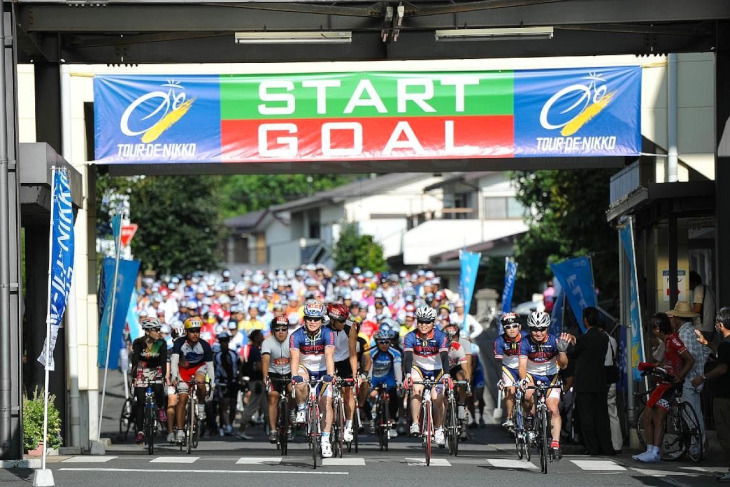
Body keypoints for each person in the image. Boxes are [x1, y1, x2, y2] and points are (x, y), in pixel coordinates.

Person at [633, 312, 695, 463]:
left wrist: (679, 376)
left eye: (654, 329)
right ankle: (650, 450)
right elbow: (670, 362)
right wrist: (656, 366)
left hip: (671, 386)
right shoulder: (667, 342)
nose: (654, 333)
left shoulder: (673, 340)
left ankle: (654, 452)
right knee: (648, 415)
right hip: (664, 384)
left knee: (657, 416)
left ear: (658, 329)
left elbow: (690, 360)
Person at [518, 311, 571, 459]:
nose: (538, 333)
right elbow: (522, 366)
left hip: (551, 376)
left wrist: (562, 352)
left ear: (547, 328)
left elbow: (564, 365)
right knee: (528, 393)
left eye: (542, 329)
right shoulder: (524, 342)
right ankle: (529, 415)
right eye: (534, 329)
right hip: (531, 374)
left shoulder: (554, 341)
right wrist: (524, 380)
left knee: (553, 409)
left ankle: (555, 443)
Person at [289, 299, 336, 458]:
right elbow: (294, 358)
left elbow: (329, 355)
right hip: (305, 367)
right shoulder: (296, 335)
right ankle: (301, 407)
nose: (312, 322)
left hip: (323, 369)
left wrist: (330, 375)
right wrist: (294, 376)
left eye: (316, 319)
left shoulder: (327, 333)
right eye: (309, 318)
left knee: (326, 404)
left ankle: (325, 440)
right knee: (300, 380)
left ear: (322, 320)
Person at [692, 307, 730, 483]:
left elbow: (723, 367)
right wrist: (706, 343)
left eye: (716, 322)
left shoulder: (725, 345)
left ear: (721, 325)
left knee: (724, 433)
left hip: (724, 396)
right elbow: (722, 355)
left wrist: (703, 377)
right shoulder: (724, 345)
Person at [403, 305, 451, 447]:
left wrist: (447, 375)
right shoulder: (410, 336)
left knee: (438, 398)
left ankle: (438, 429)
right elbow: (407, 357)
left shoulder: (440, 336)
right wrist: (407, 375)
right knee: (416, 389)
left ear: (433, 322)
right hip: (419, 368)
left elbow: (444, 357)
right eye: (420, 322)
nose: (423, 325)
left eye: (427, 322)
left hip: (437, 370)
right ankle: (415, 423)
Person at [569, 307, 613, 456]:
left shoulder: (583, 338)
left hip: (584, 382)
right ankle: (606, 447)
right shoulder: (604, 337)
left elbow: (573, 354)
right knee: (602, 416)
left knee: (586, 416)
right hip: (600, 380)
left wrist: (573, 344)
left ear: (585, 320)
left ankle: (592, 447)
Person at [671, 300, 710, 455]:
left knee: (690, 417)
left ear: (678, 318)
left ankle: (696, 448)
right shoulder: (695, 331)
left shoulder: (683, 334)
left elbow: (687, 358)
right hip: (697, 378)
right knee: (696, 414)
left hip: (689, 379)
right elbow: (706, 353)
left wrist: (681, 375)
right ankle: (699, 445)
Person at [170, 316, 215, 444]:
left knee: (201, 382)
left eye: (197, 331)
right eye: (192, 331)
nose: (195, 334)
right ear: (186, 331)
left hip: (198, 368)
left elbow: (210, 366)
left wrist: (212, 383)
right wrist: (174, 376)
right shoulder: (179, 343)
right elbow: (174, 361)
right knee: (182, 399)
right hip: (183, 371)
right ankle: (179, 430)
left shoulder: (205, 345)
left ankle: (201, 405)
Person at [325, 302, 359, 442]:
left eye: (345, 320)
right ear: (332, 320)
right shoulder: (324, 328)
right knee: (326, 393)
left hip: (345, 360)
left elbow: (352, 353)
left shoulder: (350, 327)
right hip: (329, 360)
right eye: (341, 321)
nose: (343, 323)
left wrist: (355, 373)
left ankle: (349, 424)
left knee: (347, 393)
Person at [131, 317, 167, 445]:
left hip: (156, 369)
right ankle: (140, 432)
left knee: (158, 389)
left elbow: (163, 361)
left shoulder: (162, 343)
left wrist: (163, 376)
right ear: (147, 331)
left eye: (159, 329)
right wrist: (134, 377)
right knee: (140, 400)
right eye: (155, 330)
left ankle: (161, 408)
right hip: (141, 370)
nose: (158, 332)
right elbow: (134, 360)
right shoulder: (138, 342)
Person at [493, 312, 527, 429]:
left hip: (525, 366)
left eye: (514, 326)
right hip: (508, 368)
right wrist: (500, 379)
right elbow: (497, 362)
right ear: (504, 329)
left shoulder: (526, 338)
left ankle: (530, 416)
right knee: (510, 389)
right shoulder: (499, 341)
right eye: (508, 327)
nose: (511, 329)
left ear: (520, 327)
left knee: (528, 393)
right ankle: (509, 417)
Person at [262, 316, 292, 444]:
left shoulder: (292, 340)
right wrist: (265, 377)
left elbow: (298, 358)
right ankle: (273, 430)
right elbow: (265, 360)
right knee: (273, 397)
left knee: (293, 390)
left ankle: (291, 414)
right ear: (273, 331)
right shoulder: (267, 342)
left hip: (290, 373)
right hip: (274, 374)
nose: (281, 332)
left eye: (284, 329)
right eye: (277, 329)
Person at [369, 327, 402, 438]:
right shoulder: (371, 352)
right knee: (369, 393)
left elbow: (397, 368)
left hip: (388, 378)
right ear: (377, 342)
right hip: (375, 377)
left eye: (386, 342)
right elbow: (369, 368)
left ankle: (391, 422)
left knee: (394, 395)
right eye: (381, 342)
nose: (384, 344)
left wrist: (399, 382)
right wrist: (369, 384)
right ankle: (372, 416)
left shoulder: (395, 352)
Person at [595, 318, 623, 453]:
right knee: (612, 411)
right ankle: (617, 444)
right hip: (611, 376)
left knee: (600, 412)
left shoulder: (596, 339)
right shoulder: (612, 340)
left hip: (599, 376)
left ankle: (603, 443)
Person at [239, 329, 266, 440]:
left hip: (258, 381)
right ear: (255, 338)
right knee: (252, 406)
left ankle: (273, 429)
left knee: (266, 406)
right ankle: (241, 429)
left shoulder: (255, 349)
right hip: (257, 381)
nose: (262, 338)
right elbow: (259, 366)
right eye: (260, 336)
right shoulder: (255, 350)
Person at [213, 330, 239, 437]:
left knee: (233, 405)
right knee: (224, 404)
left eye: (226, 341)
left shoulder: (234, 354)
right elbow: (214, 369)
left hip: (233, 381)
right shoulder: (216, 355)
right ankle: (227, 425)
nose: (224, 343)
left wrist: (240, 380)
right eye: (222, 341)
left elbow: (239, 367)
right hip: (222, 382)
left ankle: (230, 424)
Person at [690, 271, 717, 342]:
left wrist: (685, 315)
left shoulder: (698, 288)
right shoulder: (708, 289)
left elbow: (697, 308)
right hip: (710, 328)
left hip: (702, 329)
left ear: (692, 282)